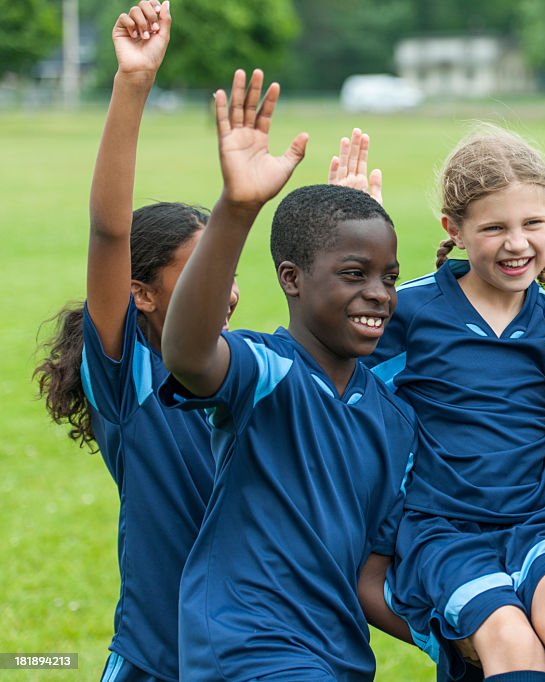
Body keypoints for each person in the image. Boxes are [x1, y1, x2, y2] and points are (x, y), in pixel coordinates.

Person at [158, 69, 415, 680]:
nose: (378, 294)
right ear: (291, 278)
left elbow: (369, 579)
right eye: (355, 274)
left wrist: (464, 643)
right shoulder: (267, 373)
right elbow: (190, 355)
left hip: (340, 660)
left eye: (389, 277)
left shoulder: (394, 417)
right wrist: (238, 208)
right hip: (248, 650)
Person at [364, 127, 545, 682]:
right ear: (454, 231)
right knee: (512, 642)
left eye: (532, 223)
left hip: (537, 520)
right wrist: (353, 238)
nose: (517, 243)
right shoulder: (410, 312)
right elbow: (337, 378)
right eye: (494, 228)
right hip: (442, 531)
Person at [34, 4, 239, 679]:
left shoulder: (253, 374)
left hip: (249, 659)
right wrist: (133, 84)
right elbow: (109, 235)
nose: (224, 289)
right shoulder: (130, 382)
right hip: (156, 662)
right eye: (200, 272)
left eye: (227, 269)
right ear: (141, 294)